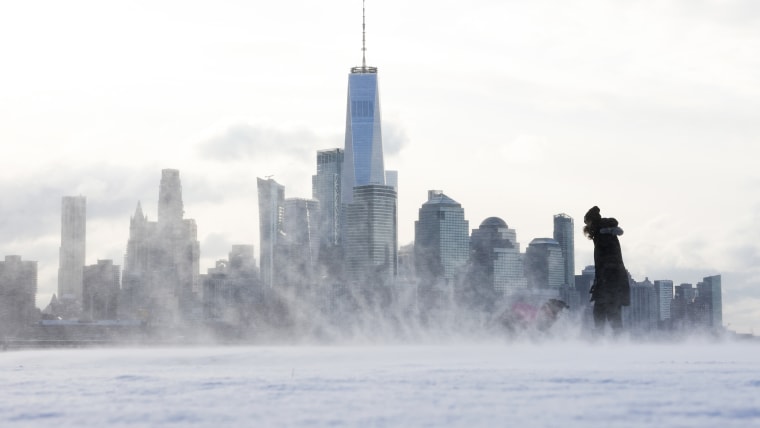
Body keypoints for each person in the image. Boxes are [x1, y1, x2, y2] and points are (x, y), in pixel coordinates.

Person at [583, 206, 630, 334]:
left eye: (588, 223)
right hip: (610, 282)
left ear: (592, 222)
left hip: (610, 283)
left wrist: (602, 282)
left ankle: (608, 347)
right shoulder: (605, 235)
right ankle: (612, 345)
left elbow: (608, 264)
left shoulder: (603, 237)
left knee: (606, 315)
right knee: (608, 315)